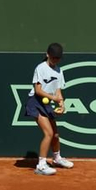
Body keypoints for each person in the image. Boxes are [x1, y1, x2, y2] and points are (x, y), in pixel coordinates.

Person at [28, 42, 72, 177]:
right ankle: (41, 165)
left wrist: (61, 104)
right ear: (47, 55)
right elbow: (38, 90)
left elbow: (58, 92)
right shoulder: (40, 68)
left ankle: (57, 158)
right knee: (48, 133)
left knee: (56, 135)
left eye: (58, 58)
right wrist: (53, 98)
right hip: (35, 102)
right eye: (53, 57)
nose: (55, 60)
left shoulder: (59, 71)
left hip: (47, 103)